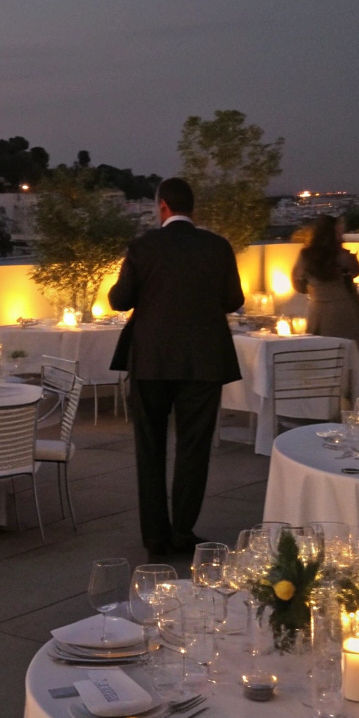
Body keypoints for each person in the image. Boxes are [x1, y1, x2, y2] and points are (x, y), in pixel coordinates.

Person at [108, 177, 243, 559]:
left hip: (151, 361)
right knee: (193, 449)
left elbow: (120, 301)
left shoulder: (143, 246)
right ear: (191, 208)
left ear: (162, 206)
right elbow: (233, 300)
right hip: (203, 361)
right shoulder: (217, 247)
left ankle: (155, 537)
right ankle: (183, 532)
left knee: (149, 450)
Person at [291, 215, 359, 365]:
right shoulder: (345, 257)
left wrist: (315, 290)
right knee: (349, 357)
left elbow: (297, 284)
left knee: (322, 357)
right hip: (345, 310)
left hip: (319, 310)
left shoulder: (306, 256)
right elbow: (357, 272)